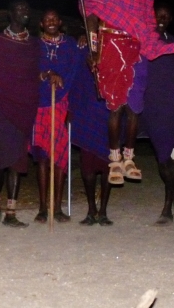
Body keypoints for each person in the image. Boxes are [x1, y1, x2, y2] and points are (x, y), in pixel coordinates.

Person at [81, 0, 174, 185]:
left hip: (136, 43)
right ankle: (114, 159)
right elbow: (90, 11)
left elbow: (147, 11)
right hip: (110, 42)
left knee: (134, 105)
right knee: (115, 105)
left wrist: (149, 38)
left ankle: (129, 157)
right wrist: (93, 50)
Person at [0, 0, 40, 227]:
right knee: (0, 160)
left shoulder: (33, 44)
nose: (25, 12)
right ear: (10, 13)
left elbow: (35, 74)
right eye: (20, 9)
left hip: (24, 108)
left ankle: (11, 212)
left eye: (27, 9)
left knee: (18, 161)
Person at [140, 4, 174, 226]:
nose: (161, 18)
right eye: (158, 15)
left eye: (165, 16)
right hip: (154, 106)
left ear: (170, 19)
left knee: (173, 158)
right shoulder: (142, 40)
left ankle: (168, 210)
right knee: (163, 156)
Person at [31, 10, 80, 223]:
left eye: (54, 19)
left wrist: (72, 108)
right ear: (41, 24)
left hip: (62, 105)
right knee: (42, 157)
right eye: (47, 19)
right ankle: (43, 208)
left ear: (60, 22)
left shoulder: (70, 45)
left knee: (60, 157)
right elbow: (27, 73)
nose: (51, 21)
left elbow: (77, 76)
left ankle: (58, 208)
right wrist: (46, 74)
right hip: (40, 106)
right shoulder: (34, 45)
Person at [69, 45, 114, 226]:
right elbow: (75, 79)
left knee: (108, 164)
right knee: (87, 166)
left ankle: (103, 211)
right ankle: (91, 209)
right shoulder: (82, 50)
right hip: (86, 111)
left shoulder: (112, 47)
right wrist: (72, 108)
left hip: (108, 113)